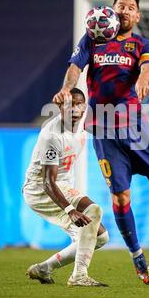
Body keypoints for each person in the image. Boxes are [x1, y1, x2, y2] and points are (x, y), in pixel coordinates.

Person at [53, 0, 149, 285]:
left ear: (138, 15)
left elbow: (147, 65)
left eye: (131, 7)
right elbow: (75, 67)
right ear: (112, 12)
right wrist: (67, 89)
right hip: (104, 132)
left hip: (136, 129)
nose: (126, 11)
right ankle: (137, 255)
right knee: (120, 196)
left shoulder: (142, 43)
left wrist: (143, 80)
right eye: (121, 7)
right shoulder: (93, 39)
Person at [23, 88, 109, 287]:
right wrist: (70, 210)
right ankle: (79, 276)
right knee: (94, 210)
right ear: (61, 107)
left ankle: (44, 268)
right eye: (70, 104)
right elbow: (47, 181)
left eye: (80, 104)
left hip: (61, 186)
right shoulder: (51, 135)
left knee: (100, 237)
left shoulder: (83, 124)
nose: (75, 109)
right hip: (40, 190)